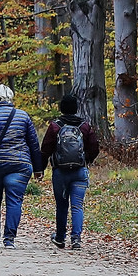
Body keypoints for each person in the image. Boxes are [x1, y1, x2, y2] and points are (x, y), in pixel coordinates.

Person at [0, 84, 43, 248]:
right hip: (19, 164)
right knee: (14, 201)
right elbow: (33, 143)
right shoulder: (23, 116)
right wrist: (38, 168)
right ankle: (9, 238)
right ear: (11, 98)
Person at [41, 94, 100, 249]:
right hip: (80, 171)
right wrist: (86, 159)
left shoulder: (55, 126)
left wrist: (39, 168)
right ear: (76, 108)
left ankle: (60, 238)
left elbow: (45, 149)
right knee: (77, 206)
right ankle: (76, 239)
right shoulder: (84, 126)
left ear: (61, 108)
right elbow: (95, 148)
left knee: (61, 205)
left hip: (60, 172)